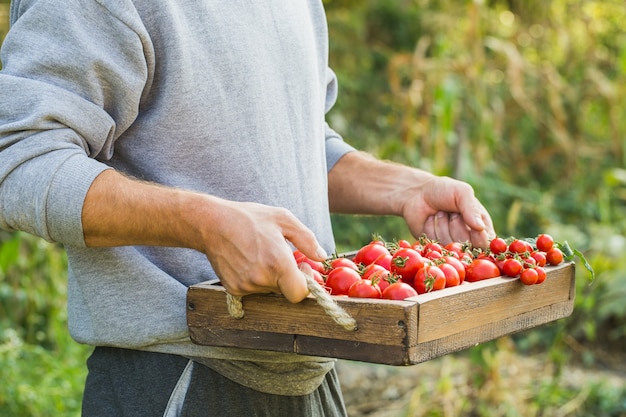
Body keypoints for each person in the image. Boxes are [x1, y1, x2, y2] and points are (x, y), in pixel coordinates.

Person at [0, 1, 495, 416]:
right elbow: (19, 159)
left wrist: (403, 189)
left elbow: (296, 144)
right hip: (179, 377)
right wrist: (207, 225)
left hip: (312, 371)